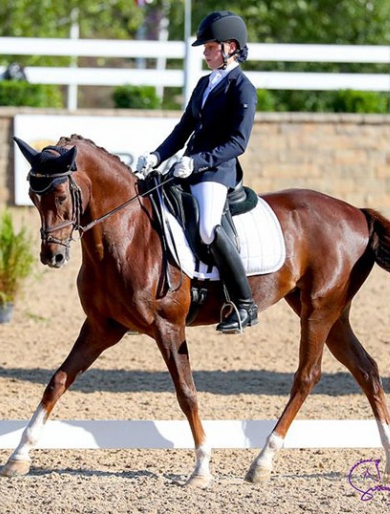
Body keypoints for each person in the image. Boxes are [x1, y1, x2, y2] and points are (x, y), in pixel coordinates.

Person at [136, 10, 258, 334]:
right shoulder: (205, 84)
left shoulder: (243, 89)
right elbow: (183, 129)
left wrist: (199, 161)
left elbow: (238, 142)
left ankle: (245, 305)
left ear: (230, 47)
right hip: (187, 166)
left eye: (209, 47)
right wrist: (156, 155)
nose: (204, 53)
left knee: (207, 228)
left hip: (217, 171)